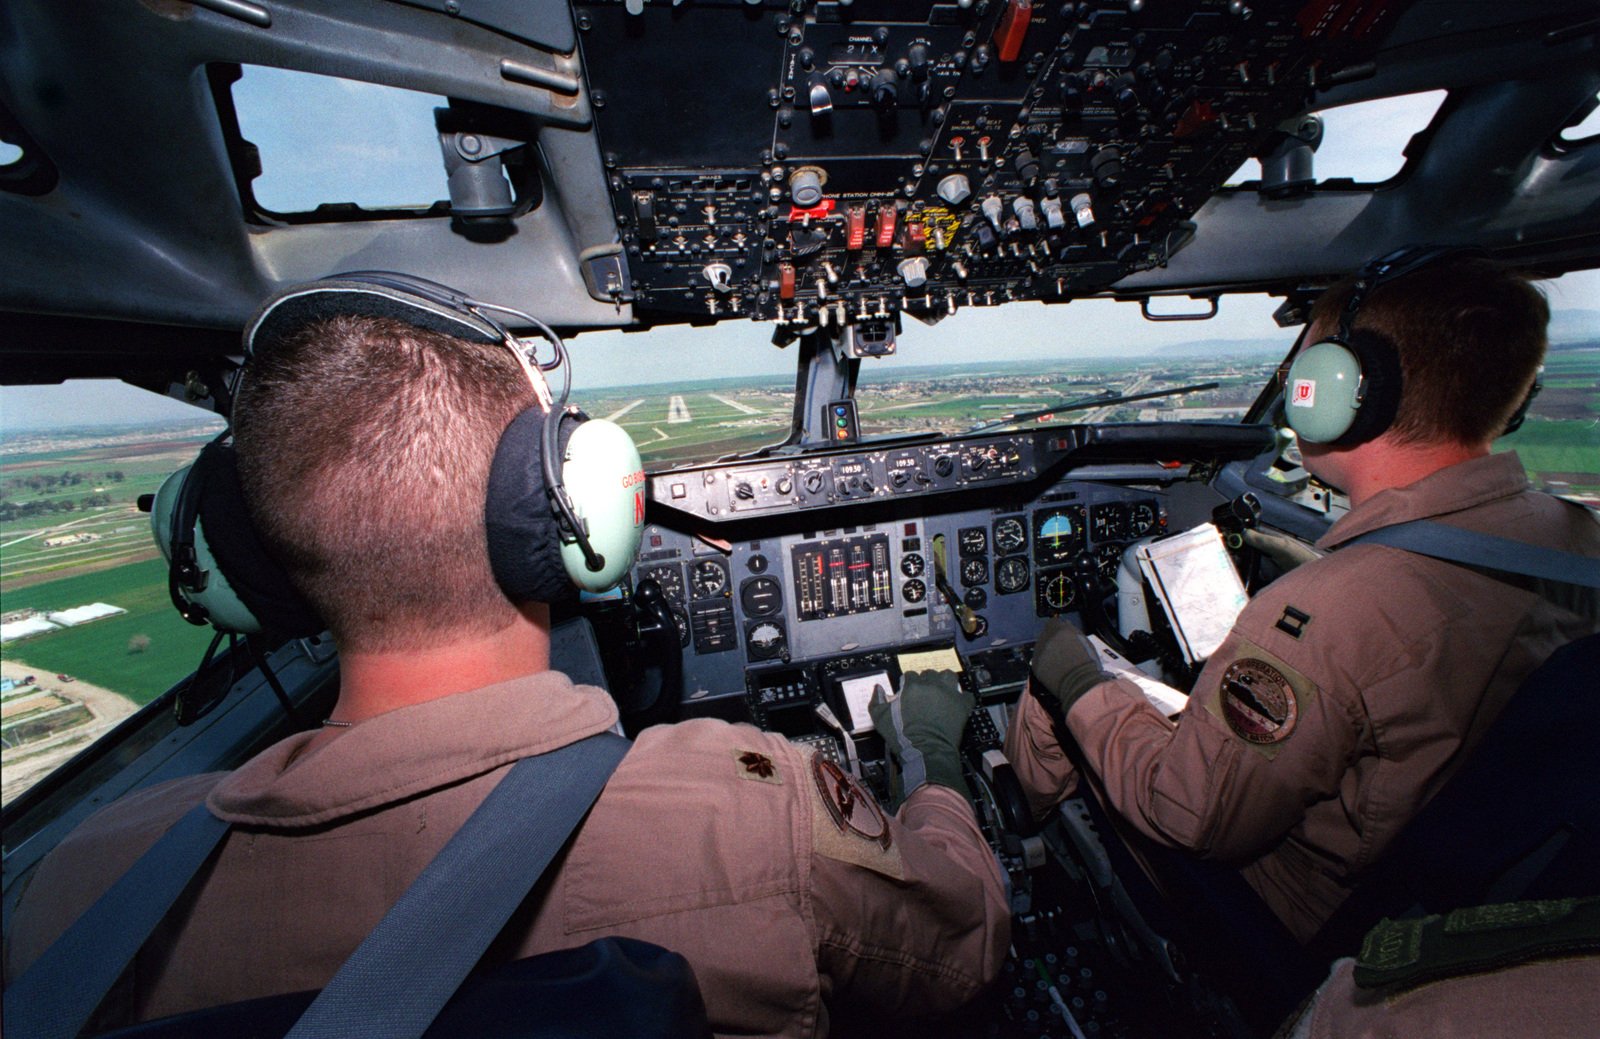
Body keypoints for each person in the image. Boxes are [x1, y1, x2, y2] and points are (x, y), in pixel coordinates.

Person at [3, 283, 1009, 1036]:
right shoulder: (744, 814)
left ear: (244, 559)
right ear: (568, 516)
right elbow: (967, 945)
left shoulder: (85, 892)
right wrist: (935, 770)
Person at [1004, 254, 1600, 943]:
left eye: (1306, 364)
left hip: (1313, 921)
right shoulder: (1574, 539)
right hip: (1471, 910)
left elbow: (1184, 813)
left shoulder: (1328, 613)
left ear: (1351, 390)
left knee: (1064, 690)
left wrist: (1077, 679)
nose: (1292, 384)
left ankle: (1025, 866)